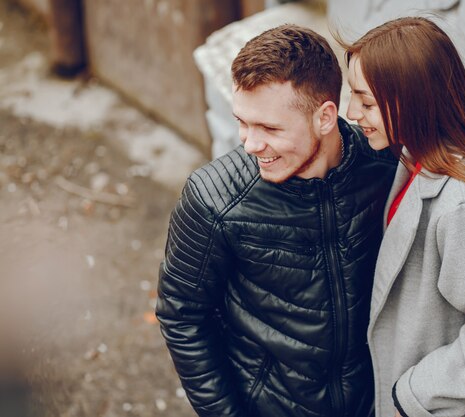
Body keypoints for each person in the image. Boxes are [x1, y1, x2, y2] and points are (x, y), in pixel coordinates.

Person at [156, 24, 396, 417]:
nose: (250, 144)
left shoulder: (383, 166)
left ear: (325, 117)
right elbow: (181, 313)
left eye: (269, 128)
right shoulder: (213, 199)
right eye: (242, 122)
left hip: (375, 402)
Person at [342, 17, 465, 417]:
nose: (351, 112)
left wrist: (412, 395)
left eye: (366, 102)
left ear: (413, 97)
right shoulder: (415, 157)